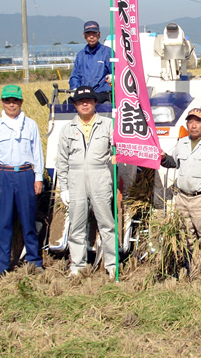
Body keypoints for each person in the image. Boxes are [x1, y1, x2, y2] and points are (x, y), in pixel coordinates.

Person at [56, 85, 117, 278]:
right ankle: (78, 266)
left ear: (94, 103)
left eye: (88, 101)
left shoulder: (108, 125)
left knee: (107, 224)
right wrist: (63, 188)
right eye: (81, 101)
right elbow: (62, 161)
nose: (85, 104)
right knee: (77, 225)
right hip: (76, 181)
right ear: (74, 105)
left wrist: (117, 150)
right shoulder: (68, 129)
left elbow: (117, 150)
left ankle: (112, 264)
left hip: (100, 179)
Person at [0, 84, 45, 276]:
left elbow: (37, 153)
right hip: (3, 176)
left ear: (21, 102)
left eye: (15, 101)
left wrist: (38, 178)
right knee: (4, 224)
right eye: (8, 101)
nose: (11, 105)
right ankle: (1, 265)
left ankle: (34, 261)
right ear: (2, 102)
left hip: (26, 175)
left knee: (28, 221)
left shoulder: (31, 124)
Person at [160, 108, 201, 276]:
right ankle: (190, 269)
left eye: (197, 121)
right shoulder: (181, 143)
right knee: (186, 235)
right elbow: (173, 162)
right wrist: (162, 157)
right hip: (182, 198)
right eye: (190, 121)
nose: (194, 125)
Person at [69, 20, 112, 103]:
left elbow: (116, 72)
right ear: (84, 36)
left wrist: (112, 77)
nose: (91, 37)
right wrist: (74, 89)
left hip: (102, 93)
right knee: (67, 105)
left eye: (94, 34)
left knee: (92, 102)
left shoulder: (108, 53)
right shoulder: (80, 55)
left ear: (99, 35)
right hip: (84, 93)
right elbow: (75, 76)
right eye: (88, 34)